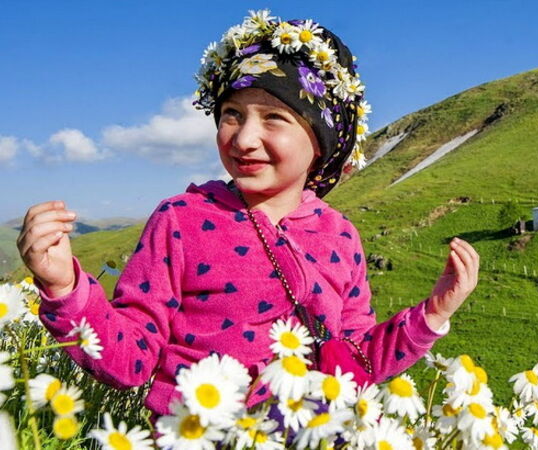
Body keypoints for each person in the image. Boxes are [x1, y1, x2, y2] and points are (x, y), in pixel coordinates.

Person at [16, 11, 479, 421]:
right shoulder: (182, 220)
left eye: (274, 118)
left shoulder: (341, 236)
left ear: (321, 142)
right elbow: (130, 361)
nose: (243, 139)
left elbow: (355, 361)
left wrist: (434, 313)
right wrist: (65, 289)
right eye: (232, 114)